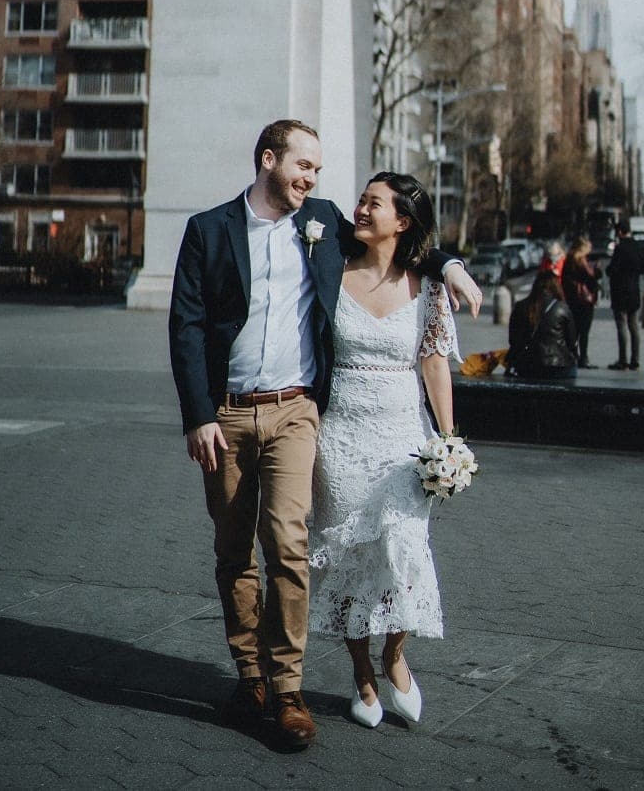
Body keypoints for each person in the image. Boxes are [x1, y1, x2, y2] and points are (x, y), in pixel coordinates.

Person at [168, 120, 481, 750]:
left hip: (297, 413)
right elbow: (187, 326)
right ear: (268, 160)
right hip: (226, 415)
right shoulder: (208, 230)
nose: (313, 178)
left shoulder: (324, 221)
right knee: (234, 552)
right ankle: (250, 675)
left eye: (318, 169)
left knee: (288, 544)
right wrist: (198, 414)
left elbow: (405, 238)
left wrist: (451, 264)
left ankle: (289, 691)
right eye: (303, 165)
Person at [308, 172, 457, 729]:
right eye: (362, 200)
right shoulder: (329, 270)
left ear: (403, 221)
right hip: (341, 433)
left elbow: (435, 362)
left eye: (374, 203)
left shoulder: (427, 285)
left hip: (402, 437)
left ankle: (395, 656)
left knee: (403, 551)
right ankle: (361, 674)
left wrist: (448, 439)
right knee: (347, 557)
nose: (361, 210)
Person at [506, 268, 579, 381]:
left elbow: (513, 339)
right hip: (559, 366)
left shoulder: (521, 306)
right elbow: (572, 341)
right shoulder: (562, 308)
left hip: (528, 365)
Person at [607, 219, 644, 371]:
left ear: (619, 232)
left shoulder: (620, 248)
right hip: (634, 290)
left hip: (620, 291)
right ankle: (635, 360)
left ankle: (623, 360)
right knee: (634, 327)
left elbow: (612, 269)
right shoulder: (640, 247)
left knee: (621, 326)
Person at [560, 236, 601, 368]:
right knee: (584, 331)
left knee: (574, 330)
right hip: (584, 299)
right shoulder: (580, 260)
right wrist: (596, 269)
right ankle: (583, 358)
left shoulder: (569, 259)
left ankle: (572, 356)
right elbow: (591, 277)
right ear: (583, 248)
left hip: (572, 299)